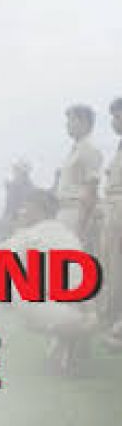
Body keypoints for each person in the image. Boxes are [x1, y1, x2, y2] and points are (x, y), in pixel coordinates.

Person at [0, 189, 97, 376]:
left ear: (37, 209)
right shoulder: (67, 234)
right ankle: (66, 349)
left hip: (60, 314)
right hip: (86, 316)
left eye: (25, 207)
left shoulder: (32, 234)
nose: (21, 212)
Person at [55, 105, 103, 240]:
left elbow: (91, 188)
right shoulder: (74, 151)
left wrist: (82, 225)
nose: (67, 125)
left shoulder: (89, 150)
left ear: (85, 123)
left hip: (75, 212)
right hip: (63, 211)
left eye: (72, 120)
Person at [100, 98, 122, 348]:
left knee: (118, 268)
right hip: (111, 207)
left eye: (117, 116)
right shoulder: (118, 147)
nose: (114, 122)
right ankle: (114, 322)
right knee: (112, 268)